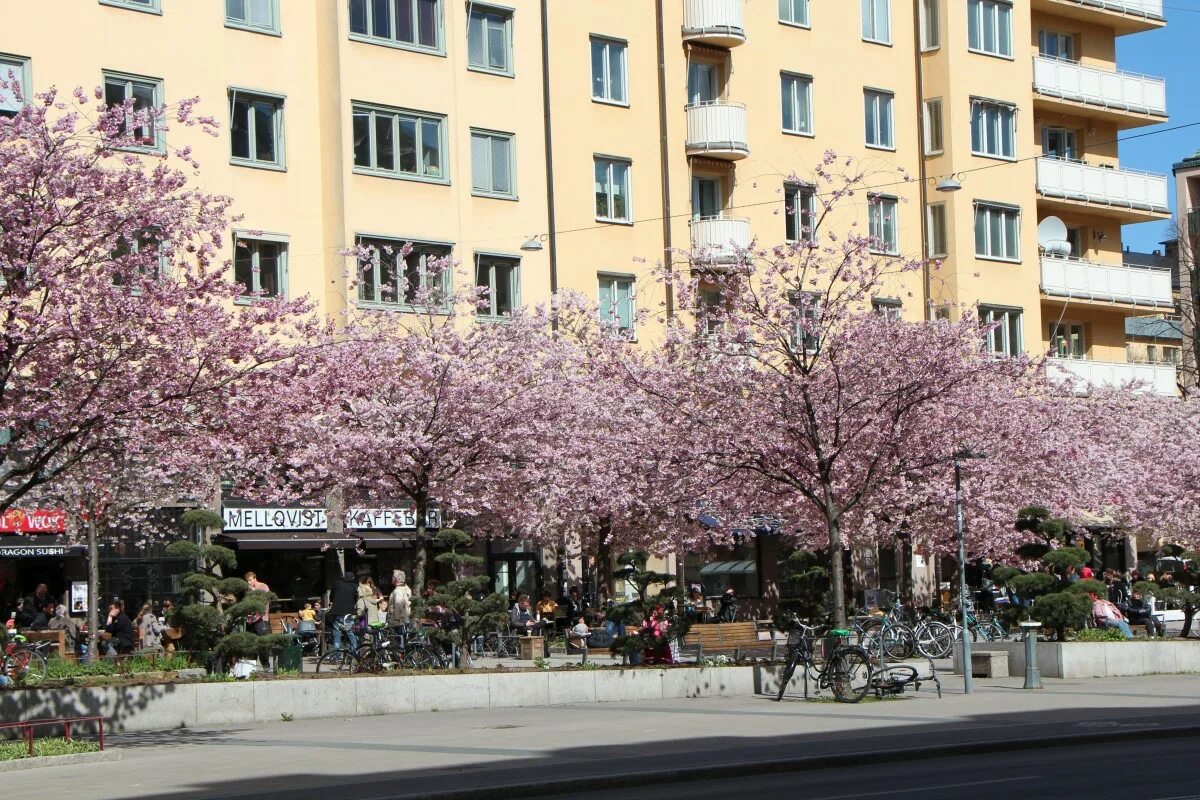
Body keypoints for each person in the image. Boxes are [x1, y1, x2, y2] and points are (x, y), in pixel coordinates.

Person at [329, 571, 360, 654]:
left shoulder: (337, 583)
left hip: (338, 612)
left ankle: (337, 656)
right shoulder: (355, 586)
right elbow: (356, 599)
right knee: (350, 633)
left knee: (337, 634)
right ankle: (354, 653)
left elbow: (331, 597)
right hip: (349, 613)